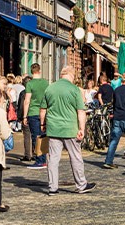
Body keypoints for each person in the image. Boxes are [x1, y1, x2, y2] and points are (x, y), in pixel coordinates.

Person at [40, 66, 96, 195]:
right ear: (72, 75)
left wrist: (43, 124)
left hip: (53, 128)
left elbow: (43, 109)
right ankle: (81, 185)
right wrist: (82, 128)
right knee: (75, 157)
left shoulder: (50, 88)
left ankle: (52, 187)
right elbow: (80, 111)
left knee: (53, 159)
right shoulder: (74, 89)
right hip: (70, 128)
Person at [23, 63, 49, 169]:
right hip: (44, 111)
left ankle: (39, 160)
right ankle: (44, 159)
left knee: (35, 137)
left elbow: (27, 101)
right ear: (40, 70)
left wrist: (24, 116)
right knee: (43, 136)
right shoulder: (46, 83)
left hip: (33, 112)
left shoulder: (30, 84)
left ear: (31, 71)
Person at [16, 75, 33, 162]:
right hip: (35, 115)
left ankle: (27, 155)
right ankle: (35, 153)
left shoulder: (23, 93)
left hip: (26, 116)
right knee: (35, 135)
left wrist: (20, 117)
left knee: (27, 136)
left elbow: (21, 106)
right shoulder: (35, 92)